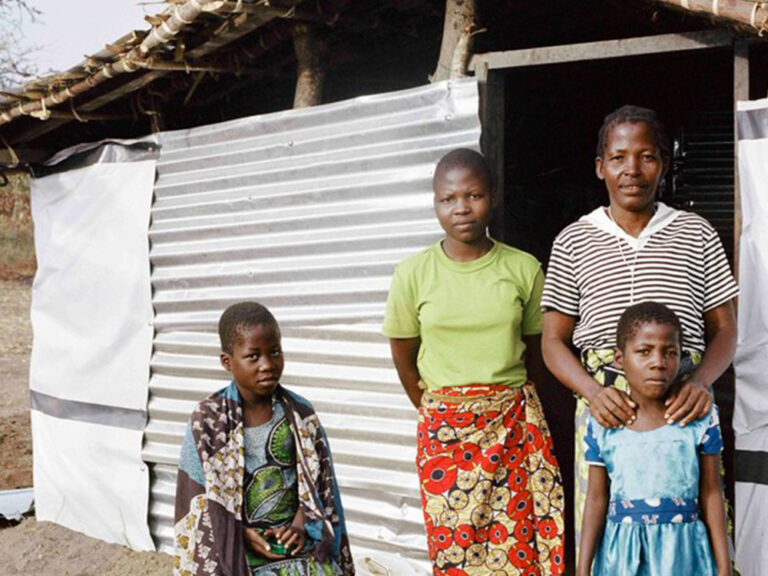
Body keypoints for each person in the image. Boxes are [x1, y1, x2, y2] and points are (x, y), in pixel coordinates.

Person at [540, 105, 738, 554]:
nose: (632, 170)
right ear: (600, 167)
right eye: (618, 157)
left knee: (692, 530)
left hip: (680, 406)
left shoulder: (696, 232)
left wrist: (702, 382)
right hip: (606, 408)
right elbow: (553, 341)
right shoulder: (573, 240)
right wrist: (592, 393)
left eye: (647, 156)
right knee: (606, 528)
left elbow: (725, 329)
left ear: (664, 165)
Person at [383, 148, 566, 575]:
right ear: (435, 203)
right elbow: (405, 361)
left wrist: (512, 409)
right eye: (448, 199)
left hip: (514, 430)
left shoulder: (523, 268)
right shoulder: (412, 274)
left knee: (519, 545)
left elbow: (539, 357)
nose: (461, 208)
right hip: (445, 438)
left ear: (494, 198)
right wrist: (446, 411)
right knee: (456, 552)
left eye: (474, 195)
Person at [174, 302, 355, 576]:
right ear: (227, 362)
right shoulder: (207, 421)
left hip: (296, 542)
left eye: (275, 352)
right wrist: (241, 534)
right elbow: (197, 502)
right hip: (234, 548)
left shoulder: (300, 414)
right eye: (253, 356)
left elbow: (320, 487)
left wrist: (300, 523)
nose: (268, 365)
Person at [578, 301, 730, 576]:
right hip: (622, 559)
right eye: (644, 352)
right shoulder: (603, 423)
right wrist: (582, 569)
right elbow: (596, 499)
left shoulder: (701, 420)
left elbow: (711, 491)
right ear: (619, 359)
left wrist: (723, 567)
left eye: (670, 352)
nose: (658, 363)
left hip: (685, 556)